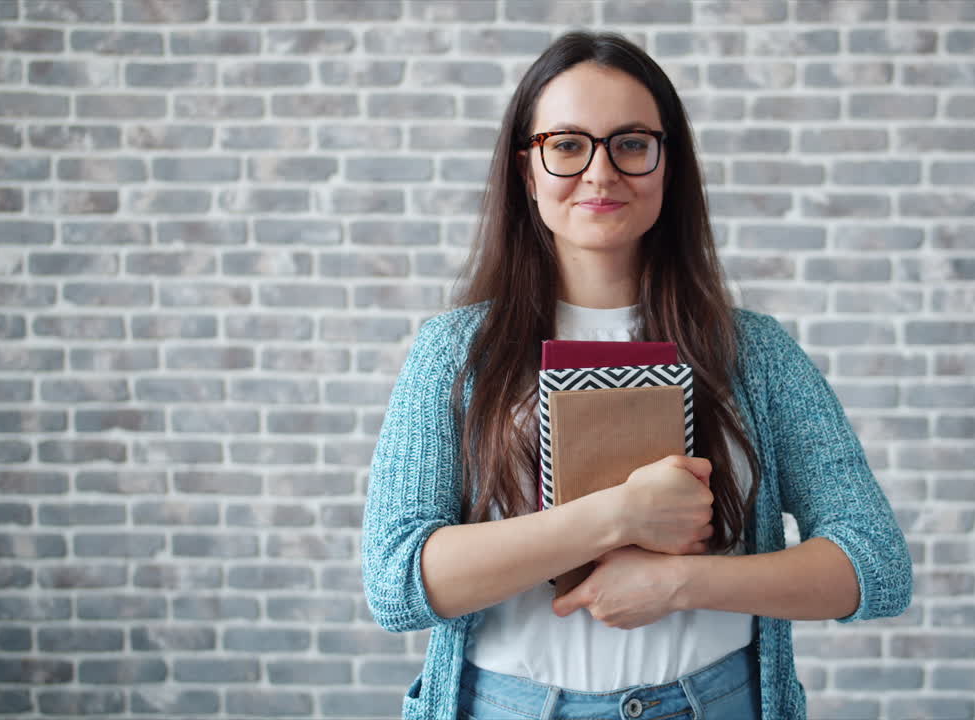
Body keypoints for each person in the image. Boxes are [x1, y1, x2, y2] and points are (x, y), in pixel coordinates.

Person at [361, 31, 912, 720]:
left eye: (631, 143)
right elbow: (396, 585)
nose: (600, 173)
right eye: (567, 145)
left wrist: (681, 582)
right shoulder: (455, 354)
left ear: (667, 167)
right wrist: (616, 516)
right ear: (525, 171)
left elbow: (875, 567)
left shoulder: (755, 355)